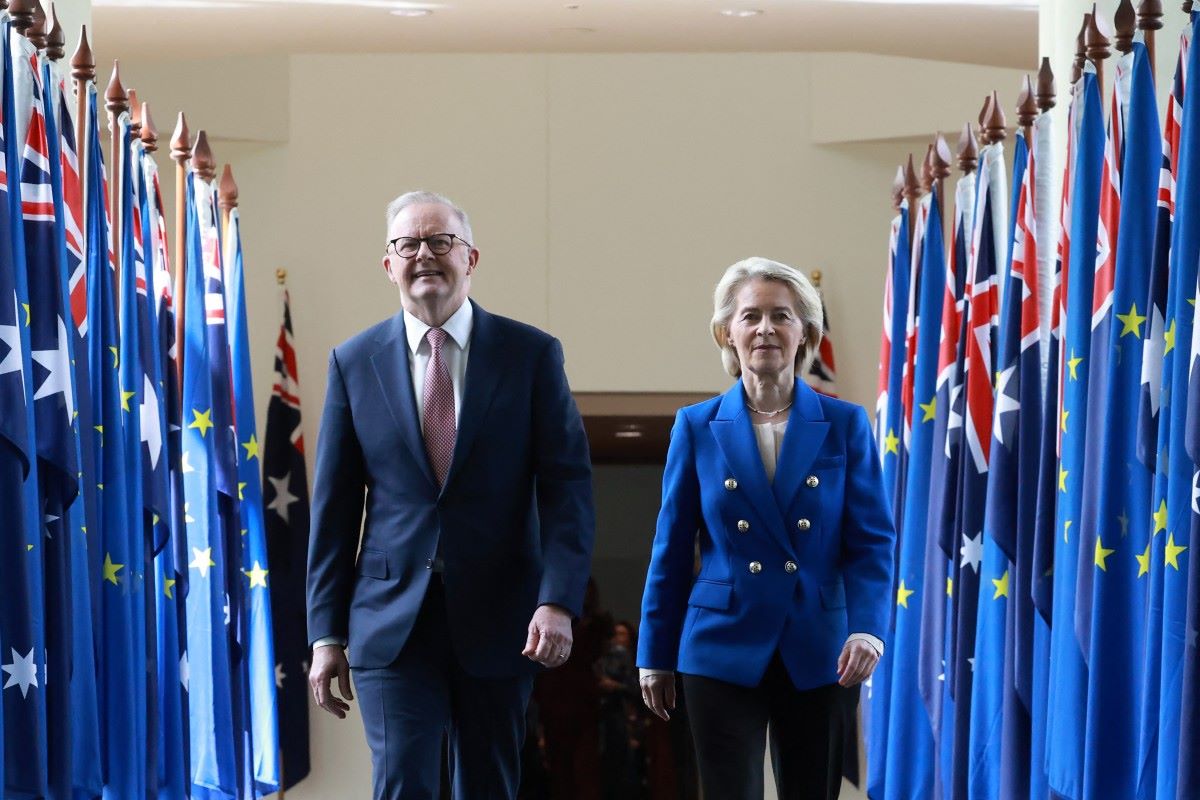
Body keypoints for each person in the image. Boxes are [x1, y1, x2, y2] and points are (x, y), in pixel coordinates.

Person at [306, 191, 595, 800]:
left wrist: (558, 601)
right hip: (390, 621)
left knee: (487, 785)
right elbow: (333, 512)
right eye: (407, 244)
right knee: (404, 781)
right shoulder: (353, 362)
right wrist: (325, 634)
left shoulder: (531, 355)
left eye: (441, 242)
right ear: (388, 265)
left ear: (472, 258)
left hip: (503, 617)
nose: (424, 256)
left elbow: (566, 486)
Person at [636, 257, 895, 800]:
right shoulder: (698, 425)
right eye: (750, 316)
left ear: (806, 331)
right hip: (720, 644)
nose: (766, 329)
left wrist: (868, 627)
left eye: (782, 315)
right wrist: (654, 653)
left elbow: (871, 541)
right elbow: (672, 549)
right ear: (726, 331)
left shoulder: (846, 424)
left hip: (822, 645)